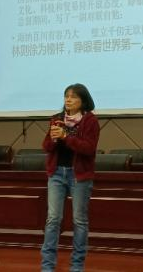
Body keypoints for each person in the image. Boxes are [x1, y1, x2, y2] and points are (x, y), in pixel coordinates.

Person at [41, 83, 100, 272]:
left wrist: (66, 137)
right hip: (57, 173)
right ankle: (47, 266)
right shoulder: (57, 119)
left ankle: (77, 266)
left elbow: (88, 149)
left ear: (83, 100)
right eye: (66, 96)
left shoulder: (90, 121)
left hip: (79, 175)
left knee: (79, 221)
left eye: (73, 97)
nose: (68, 100)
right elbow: (46, 147)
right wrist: (53, 138)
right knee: (53, 219)